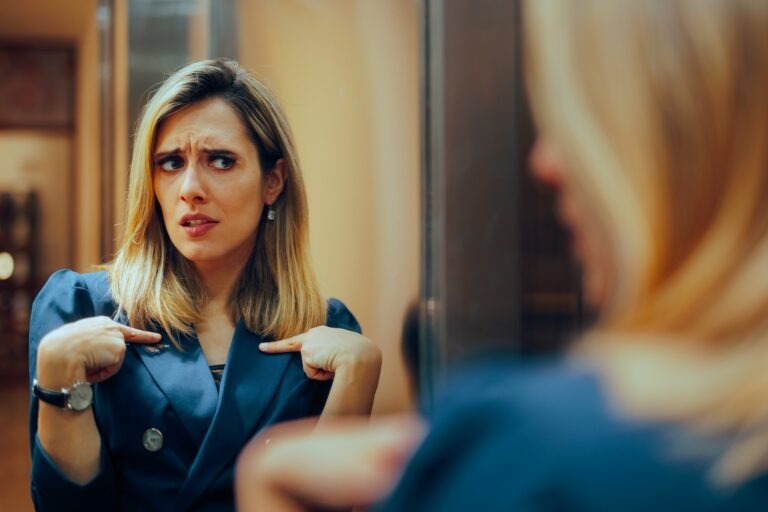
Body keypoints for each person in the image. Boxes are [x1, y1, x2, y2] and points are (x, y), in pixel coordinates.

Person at [235, 0, 768, 509]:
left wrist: (269, 482)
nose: (545, 162)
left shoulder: (531, 451)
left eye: (585, 122)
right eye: (169, 162)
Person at [28, 59, 382, 512]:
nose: (190, 188)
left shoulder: (329, 333)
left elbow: (321, 504)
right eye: (171, 163)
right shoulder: (79, 308)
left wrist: (358, 379)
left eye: (220, 160)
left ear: (272, 181)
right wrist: (57, 377)